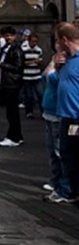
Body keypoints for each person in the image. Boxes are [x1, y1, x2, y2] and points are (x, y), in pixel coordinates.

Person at [53, 23, 79, 203]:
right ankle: (71, 191)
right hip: (66, 116)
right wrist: (57, 67)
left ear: (64, 40)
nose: (56, 43)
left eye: (57, 40)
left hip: (76, 117)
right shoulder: (67, 59)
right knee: (67, 154)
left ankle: (73, 191)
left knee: (73, 154)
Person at [0, 26, 25, 147]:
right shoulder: (6, 47)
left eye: (10, 35)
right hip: (8, 82)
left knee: (12, 112)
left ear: (14, 36)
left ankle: (13, 137)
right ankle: (17, 136)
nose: (8, 38)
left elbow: (18, 67)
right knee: (11, 112)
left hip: (13, 83)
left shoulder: (16, 50)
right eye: (6, 35)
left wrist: (1, 65)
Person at [40, 53, 65, 201]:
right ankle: (55, 180)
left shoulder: (62, 72)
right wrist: (53, 61)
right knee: (52, 151)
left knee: (58, 151)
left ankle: (60, 183)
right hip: (48, 112)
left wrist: (54, 64)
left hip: (57, 114)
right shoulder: (54, 69)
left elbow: (51, 77)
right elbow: (44, 75)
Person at [22, 33, 44, 119]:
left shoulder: (39, 50)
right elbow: (22, 62)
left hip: (36, 75)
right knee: (29, 96)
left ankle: (43, 111)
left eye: (36, 42)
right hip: (26, 75)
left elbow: (41, 60)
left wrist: (39, 62)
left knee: (40, 94)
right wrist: (31, 62)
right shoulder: (24, 50)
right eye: (32, 41)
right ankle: (29, 112)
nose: (34, 43)